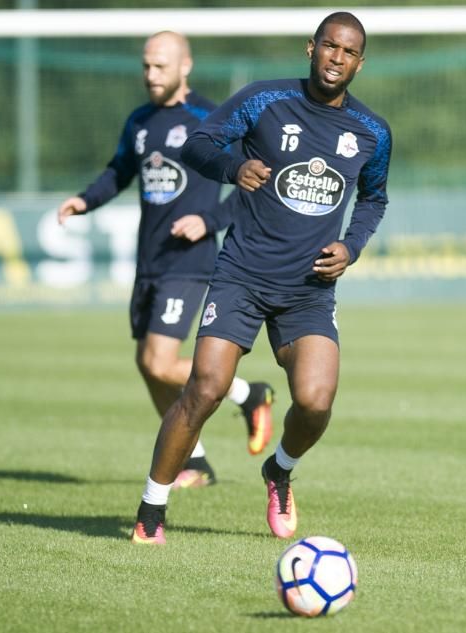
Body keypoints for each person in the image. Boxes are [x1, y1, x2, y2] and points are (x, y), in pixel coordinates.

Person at [130, 12, 392, 544]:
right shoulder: (264, 100)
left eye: (348, 52)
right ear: (310, 48)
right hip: (241, 276)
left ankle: (280, 470)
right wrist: (233, 169)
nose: (336, 58)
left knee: (316, 401)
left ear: (359, 62)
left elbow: (374, 198)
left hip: (309, 290)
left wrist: (352, 246)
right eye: (328, 46)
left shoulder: (372, 132)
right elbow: (199, 143)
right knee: (206, 388)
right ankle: (152, 507)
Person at [57, 31, 274, 491]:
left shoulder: (209, 120)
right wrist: (84, 200)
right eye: (146, 66)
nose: (150, 75)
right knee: (147, 364)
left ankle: (248, 393)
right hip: (150, 260)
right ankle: (194, 462)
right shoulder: (139, 120)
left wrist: (208, 221)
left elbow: (252, 183)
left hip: (190, 261)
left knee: (160, 361)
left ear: (185, 66)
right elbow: (118, 172)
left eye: (160, 66)